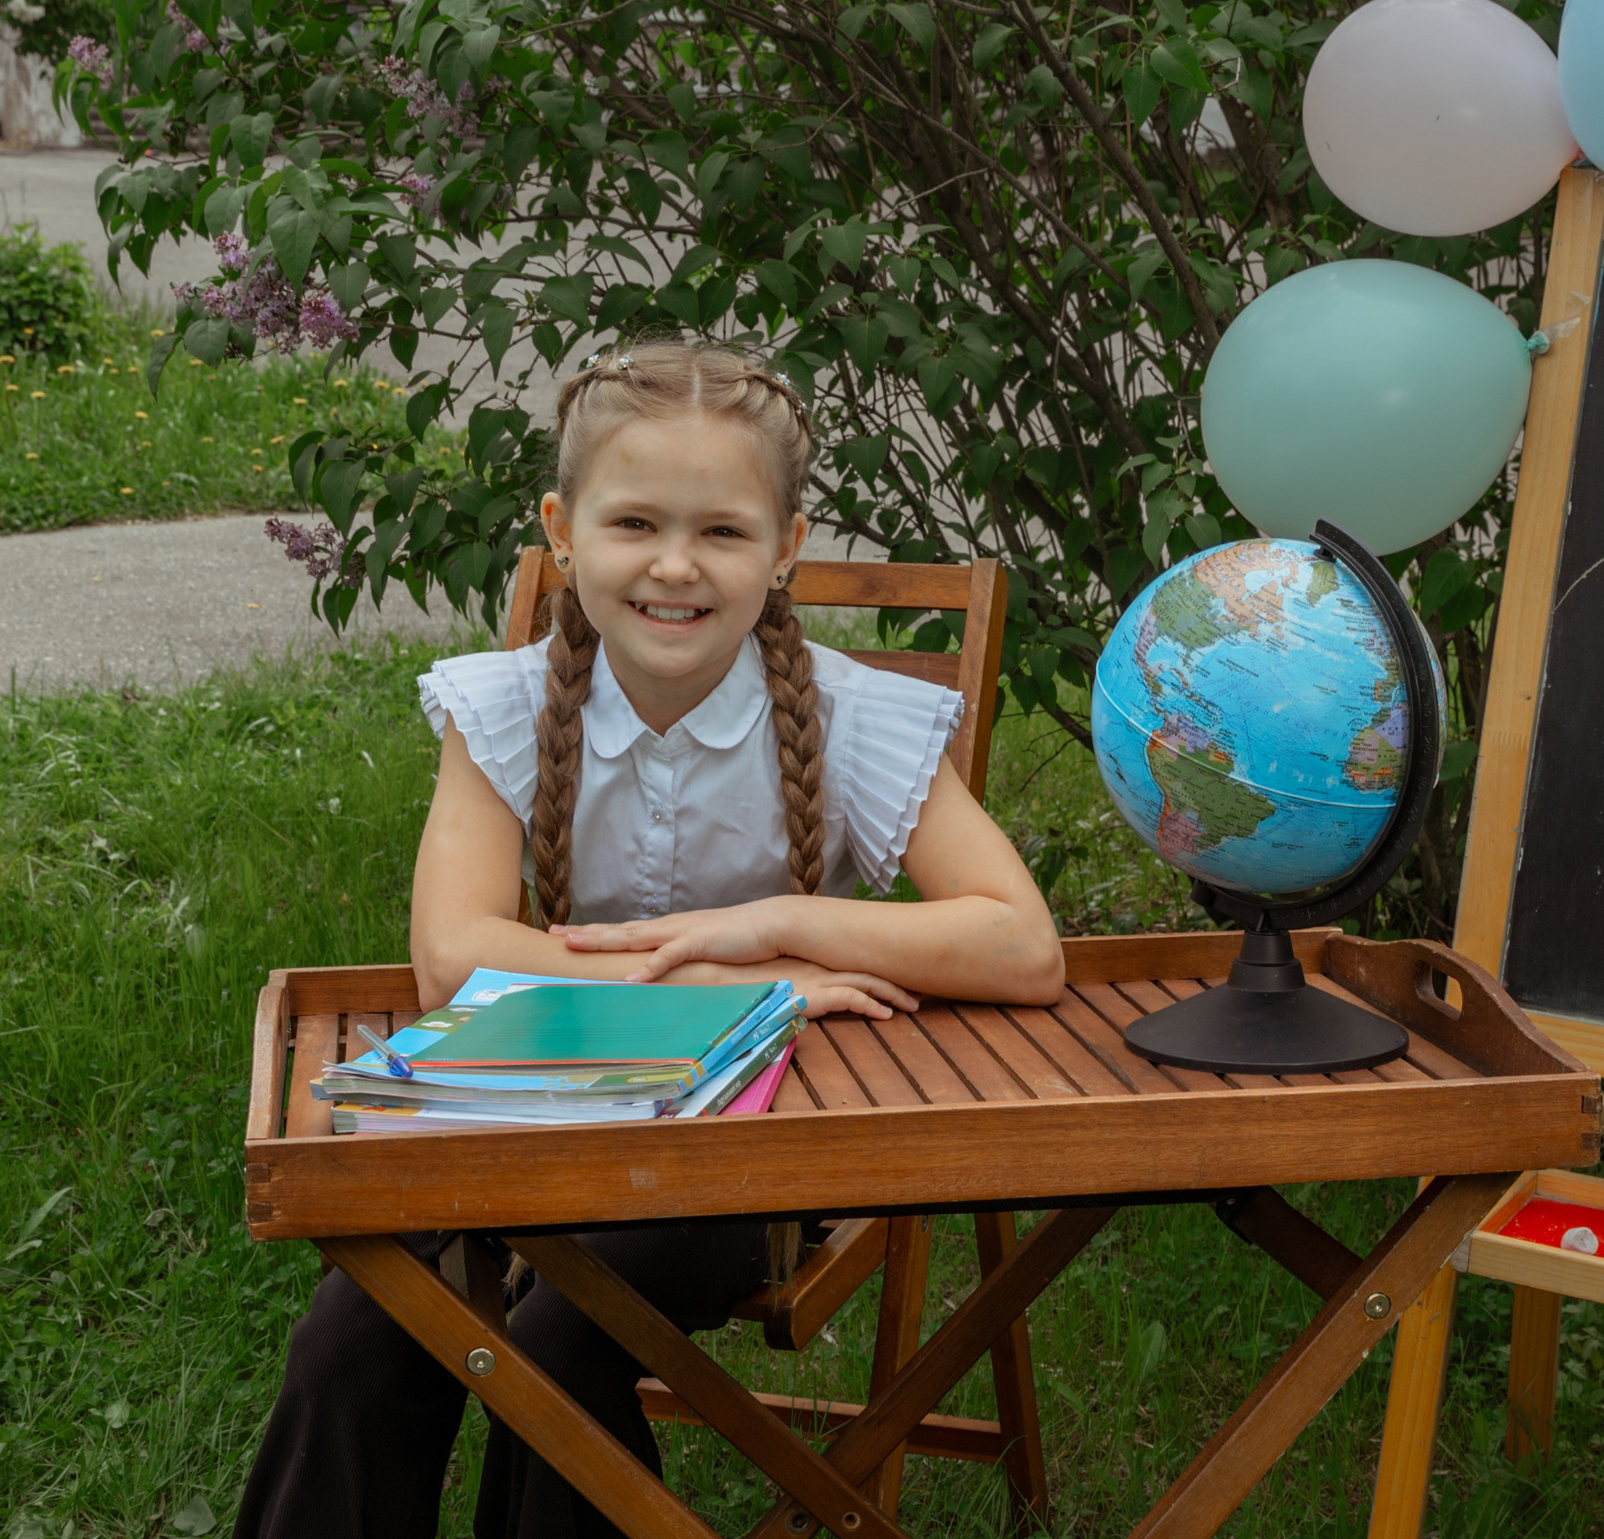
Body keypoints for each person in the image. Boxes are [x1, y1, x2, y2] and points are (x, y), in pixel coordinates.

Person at [233, 342, 1063, 1538]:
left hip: (744, 1157)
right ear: (562, 532)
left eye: (722, 531)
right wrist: (747, 982)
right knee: (355, 1336)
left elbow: (1022, 944)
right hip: (516, 1102)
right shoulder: (502, 703)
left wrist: (774, 921)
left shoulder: (854, 716)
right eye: (633, 522)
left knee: (563, 1334)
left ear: (785, 547)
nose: (675, 565)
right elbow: (455, 957)